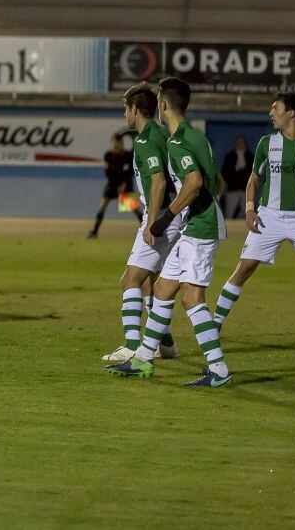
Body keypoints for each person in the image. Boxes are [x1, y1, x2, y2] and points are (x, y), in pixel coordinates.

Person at [107, 77, 232, 387]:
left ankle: (219, 370)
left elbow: (194, 182)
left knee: (191, 298)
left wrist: (163, 220)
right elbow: (211, 181)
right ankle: (144, 360)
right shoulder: (191, 135)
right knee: (162, 289)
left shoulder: (177, 142)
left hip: (200, 226)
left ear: (163, 105)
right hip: (192, 224)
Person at [211, 93, 295, 341]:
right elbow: (253, 181)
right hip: (269, 216)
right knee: (244, 268)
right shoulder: (266, 143)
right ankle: (214, 325)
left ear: (291, 112)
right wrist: (250, 209)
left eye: (276, 108)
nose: (271, 113)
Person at [101, 85, 182, 363]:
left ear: (136, 109)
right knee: (149, 282)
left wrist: (149, 223)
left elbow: (158, 180)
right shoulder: (160, 133)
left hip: (159, 217)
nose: (125, 113)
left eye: (126, 108)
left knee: (130, 280)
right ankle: (167, 343)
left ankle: (132, 344)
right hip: (172, 215)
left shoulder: (146, 140)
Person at [88, 134, 140, 239]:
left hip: (125, 186)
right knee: (102, 206)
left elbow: (129, 172)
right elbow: (108, 173)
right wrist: (117, 180)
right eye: (114, 142)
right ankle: (94, 232)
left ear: (122, 144)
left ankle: (148, 229)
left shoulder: (127, 156)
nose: (116, 145)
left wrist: (123, 184)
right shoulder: (108, 155)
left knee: (135, 210)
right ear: (111, 143)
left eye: (118, 143)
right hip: (112, 185)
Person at [220, 136, 253, 219]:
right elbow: (224, 173)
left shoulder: (250, 157)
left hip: (246, 190)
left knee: (249, 213)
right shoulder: (229, 157)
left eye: (242, 142)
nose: (240, 144)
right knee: (229, 214)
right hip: (232, 190)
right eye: (238, 142)